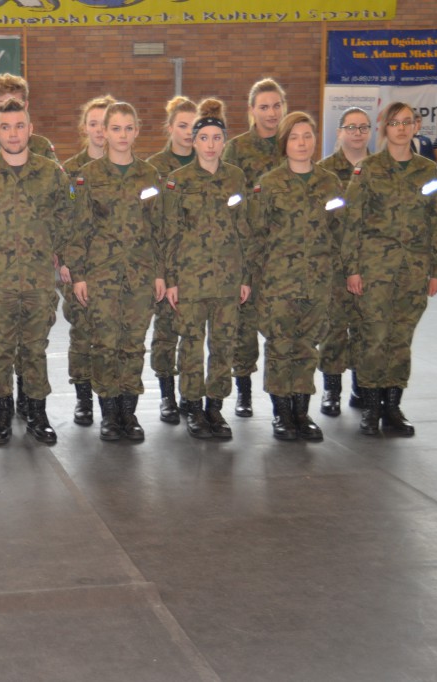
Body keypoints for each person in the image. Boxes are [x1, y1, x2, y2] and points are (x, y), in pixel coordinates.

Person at [0, 98, 72, 445]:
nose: (13, 133)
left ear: (30, 128)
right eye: (6, 126)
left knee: (35, 348)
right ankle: (1, 412)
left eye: (20, 125)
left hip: (39, 279)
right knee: (0, 349)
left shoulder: (51, 173)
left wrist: (58, 251)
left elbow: (64, 217)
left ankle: (38, 413)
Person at [342, 101, 437, 437]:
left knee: (401, 339)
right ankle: (372, 406)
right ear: (383, 128)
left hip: (413, 271)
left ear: (417, 126)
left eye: (407, 122)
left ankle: (393, 406)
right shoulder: (368, 170)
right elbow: (353, 222)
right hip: (375, 270)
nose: (401, 128)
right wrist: (353, 269)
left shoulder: (428, 172)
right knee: (374, 338)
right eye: (394, 122)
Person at [68, 101, 162, 442]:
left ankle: (129, 413)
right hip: (101, 276)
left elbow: (158, 228)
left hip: (139, 275)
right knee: (105, 345)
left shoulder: (150, 175)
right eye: (115, 128)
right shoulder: (89, 177)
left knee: (133, 345)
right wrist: (79, 274)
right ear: (103, 132)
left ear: (136, 131)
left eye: (128, 128)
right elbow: (78, 229)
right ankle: (109, 414)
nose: (122, 135)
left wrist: (160, 273)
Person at [249, 112, 345, 441]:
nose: (302, 143)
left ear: (315, 140)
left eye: (307, 136)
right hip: (278, 283)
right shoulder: (269, 184)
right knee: (280, 347)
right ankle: (281, 414)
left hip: (317, 280)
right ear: (284, 143)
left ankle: (301, 413)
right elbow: (256, 236)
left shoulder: (330, 183)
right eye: (294, 137)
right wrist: (257, 281)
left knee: (307, 347)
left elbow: (339, 230)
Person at [163, 98, 255, 440]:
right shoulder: (178, 181)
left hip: (228, 280)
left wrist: (245, 277)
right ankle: (192, 406)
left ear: (224, 141)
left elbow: (243, 228)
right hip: (190, 281)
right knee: (190, 344)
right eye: (205, 138)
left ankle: (214, 406)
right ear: (195, 141)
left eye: (217, 138)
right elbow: (169, 233)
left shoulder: (236, 177)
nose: (211, 144)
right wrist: (171, 280)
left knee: (224, 345)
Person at [223, 78, 287, 418]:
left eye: (276, 105)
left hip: (284, 255)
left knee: (281, 328)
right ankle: (243, 392)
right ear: (251, 111)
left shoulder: (292, 144)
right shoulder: (235, 149)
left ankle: (281, 399)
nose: (271, 112)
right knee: (243, 328)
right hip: (247, 252)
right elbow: (229, 200)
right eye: (264, 106)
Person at [59, 94, 116, 427]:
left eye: (103, 123)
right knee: (82, 335)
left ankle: (112, 400)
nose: (98, 130)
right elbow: (64, 217)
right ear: (85, 128)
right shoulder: (71, 170)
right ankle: (83, 399)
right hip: (81, 267)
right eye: (92, 123)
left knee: (114, 336)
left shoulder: (125, 167)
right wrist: (68, 260)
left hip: (115, 269)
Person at [146, 95, 198, 425]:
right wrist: (159, 271)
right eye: (183, 125)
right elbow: (149, 224)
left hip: (201, 267)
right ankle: (167, 396)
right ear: (169, 128)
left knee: (194, 337)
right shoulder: (154, 168)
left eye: (195, 126)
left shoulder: (210, 163)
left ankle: (192, 398)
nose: (190, 132)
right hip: (167, 263)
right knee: (166, 333)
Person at [317, 107, 372, 415]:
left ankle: (361, 389)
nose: (357, 133)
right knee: (335, 329)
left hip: (371, 263)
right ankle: (332, 391)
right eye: (350, 127)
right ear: (339, 132)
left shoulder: (379, 169)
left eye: (363, 127)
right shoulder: (323, 173)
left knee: (367, 328)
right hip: (335, 266)